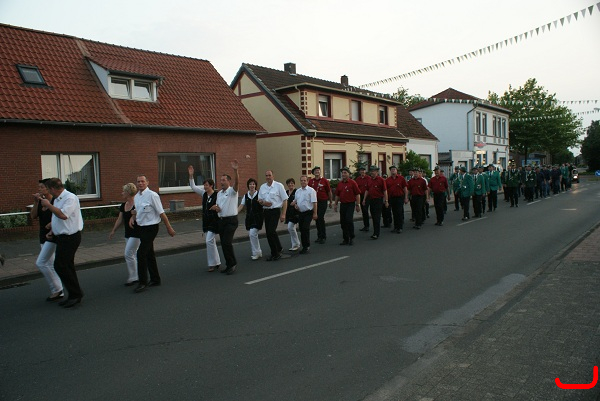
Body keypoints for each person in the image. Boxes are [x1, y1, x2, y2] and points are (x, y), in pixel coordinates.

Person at [37, 178, 84, 308]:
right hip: (61, 237)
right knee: (67, 266)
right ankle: (75, 294)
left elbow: (63, 215)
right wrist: (52, 230)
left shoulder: (70, 198)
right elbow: (56, 218)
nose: (48, 191)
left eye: (48, 189)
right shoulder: (57, 199)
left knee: (60, 266)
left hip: (70, 237)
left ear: (52, 189)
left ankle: (75, 294)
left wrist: (48, 205)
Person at [130, 175, 176, 293]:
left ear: (147, 182)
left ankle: (142, 282)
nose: (140, 183)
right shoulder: (137, 197)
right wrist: (132, 217)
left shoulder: (152, 195)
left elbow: (161, 213)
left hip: (151, 227)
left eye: (142, 181)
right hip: (141, 227)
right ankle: (155, 279)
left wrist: (169, 227)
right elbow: (137, 210)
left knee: (141, 253)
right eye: (138, 181)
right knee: (149, 253)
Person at [31, 178, 63, 301]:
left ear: (49, 188)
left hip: (53, 235)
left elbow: (59, 216)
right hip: (43, 235)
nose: (39, 189)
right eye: (39, 187)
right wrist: (36, 202)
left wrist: (51, 227)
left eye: (42, 187)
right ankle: (57, 289)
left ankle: (57, 289)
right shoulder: (40, 201)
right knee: (49, 264)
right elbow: (33, 216)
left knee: (42, 262)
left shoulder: (55, 201)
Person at [188, 166, 221, 271]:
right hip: (206, 221)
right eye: (204, 185)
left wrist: (217, 207)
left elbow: (221, 206)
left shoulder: (217, 195)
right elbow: (193, 187)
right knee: (211, 242)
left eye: (206, 185)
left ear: (211, 185)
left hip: (214, 220)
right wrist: (191, 175)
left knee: (208, 240)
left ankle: (212, 264)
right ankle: (216, 262)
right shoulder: (204, 194)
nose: (205, 187)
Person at [211, 160, 240, 275]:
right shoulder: (219, 193)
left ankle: (233, 264)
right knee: (223, 243)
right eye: (221, 180)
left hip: (231, 220)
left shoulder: (232, 191)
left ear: (228, 181)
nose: (221, 182)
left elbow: (237, 184)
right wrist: (216, 208)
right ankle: (228, 264)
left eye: (224, 180)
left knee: (227, 242)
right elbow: (219, 207)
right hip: (222, 220)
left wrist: (235, 170)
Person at [108, 183, 141, 285]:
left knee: (128, 253)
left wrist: (134, 216)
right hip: (128, 233)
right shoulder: (123, 205)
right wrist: (113, 230)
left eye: (123, 191)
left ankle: (133, 277)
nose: (122, 193)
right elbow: (120, 219)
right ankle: (139, 274)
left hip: (137, 232)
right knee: (134, 254)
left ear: (128, 192)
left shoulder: (137, 204)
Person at [258, 170, 288, 261]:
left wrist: (283, 214)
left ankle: (275, 253)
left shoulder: (279, 186)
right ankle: (279, 247)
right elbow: (260, 200)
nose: (268, 177)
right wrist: (263, 202)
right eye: (266, 175)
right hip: (266, 212)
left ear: (273, 176)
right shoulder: (262, 187)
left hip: (275, 211)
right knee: (270, 232)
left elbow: (285, 200)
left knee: (270, 232)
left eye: (269, 175)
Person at [290, 175, 318, 254]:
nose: (303, 182)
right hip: (300, 212)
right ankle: (304, 245)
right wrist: (295, 205)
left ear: (307, 181)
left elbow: (314, 203)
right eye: (301, 180)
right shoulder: (298, 191)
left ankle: (306, 246)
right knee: (301, 229)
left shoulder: (311, 191)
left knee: (305, 228)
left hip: (308, 212)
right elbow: (295, 201)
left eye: (304, 180)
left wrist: (315, 213)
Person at [333, 167, 361, 245]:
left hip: (350, 204)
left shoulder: (352, 183)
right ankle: (345, 238)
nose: (343, 174)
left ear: (349, 174)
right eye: (342, 173)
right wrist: (335, 204)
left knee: (349, 220)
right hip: (343, 204)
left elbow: (357, 194)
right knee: (343, 222)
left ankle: (351, 237)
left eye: (345, 173)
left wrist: (358, 204)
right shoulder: (340, 184)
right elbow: (337, 195)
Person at [238, 178, 264, 260]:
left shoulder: (259, 194)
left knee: (252, 234)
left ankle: (255, 253)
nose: (252, 186)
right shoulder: (246, 195)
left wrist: (262, 202)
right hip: (249, 218)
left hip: (257, 217)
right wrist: (235, 213)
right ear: (248, 186)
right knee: (252, 235)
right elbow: (241, 205)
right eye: (250, 184)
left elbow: (263, 203)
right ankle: (258, 252)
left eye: (253, 184)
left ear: (255, 185)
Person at [308, 167, 333, 244]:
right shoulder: (311, 181)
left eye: (318, 170)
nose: (317, 172)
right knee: (316, 219)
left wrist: (331, 201)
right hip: (314, 202)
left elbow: (329, 191)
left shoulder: (324, 181)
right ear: (313, 172)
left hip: (322, 201)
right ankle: (319, 236)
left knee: (320, 218)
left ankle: (323, 236)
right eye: (316, 171)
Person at [363, 165, 388, 239]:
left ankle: (376, 233)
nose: (372, 172)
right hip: (371, 200)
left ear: (377, 172)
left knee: (377, 217)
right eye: (371, 171)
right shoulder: (369, 180)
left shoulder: (381, 180)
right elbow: (367, 190)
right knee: (373, 216)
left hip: (378, 200)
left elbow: (385, 191)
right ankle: (375, 231)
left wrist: (386, 201)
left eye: (373, 171)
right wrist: (364, 199)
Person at [386, 165, 408, 233]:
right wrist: (386, 200)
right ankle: (395, 227)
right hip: (392, 198)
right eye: (392, 169)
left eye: (394, 169)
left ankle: (400, 227)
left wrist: (406, 197)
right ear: (390, 171)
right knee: (394, 213)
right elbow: (386, 190)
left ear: (396, 170)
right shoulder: (388, 180)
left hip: (399, 197)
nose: (393, 171)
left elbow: (405, 188)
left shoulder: (401, 178)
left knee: (399, 212)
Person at [284, 178, 301, 252]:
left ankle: (296, 244)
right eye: (289, 183)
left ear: (294, 184)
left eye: (292, 183)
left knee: (290, 227)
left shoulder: (297, 192)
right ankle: (294, 244)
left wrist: (296, 204)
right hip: (288, 212)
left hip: (295, 212)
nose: (290, 185)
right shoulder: (286, 192)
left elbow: (299, 199)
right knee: (291, 228)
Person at [355, 166, 371, 232]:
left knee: (365, 210)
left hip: (367, 196)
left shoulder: (368, 178)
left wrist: (365, 198)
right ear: (359, 172)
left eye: (363, 170)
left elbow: (369, 188)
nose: (362, 172)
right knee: (363, 211)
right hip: (360, 195)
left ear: (365, 171)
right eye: (361, 170)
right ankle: (365, 225)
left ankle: (367, 226)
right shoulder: (358, 179)